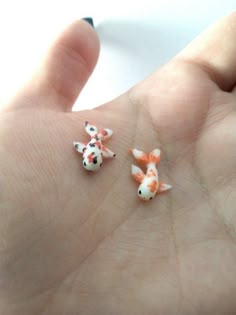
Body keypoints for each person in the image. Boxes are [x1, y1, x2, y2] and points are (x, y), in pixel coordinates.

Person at [0, 13, 236, 315]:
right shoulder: (99, 153)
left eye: (146, 191)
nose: (145, 191)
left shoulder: (142, 177)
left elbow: (143, 177)